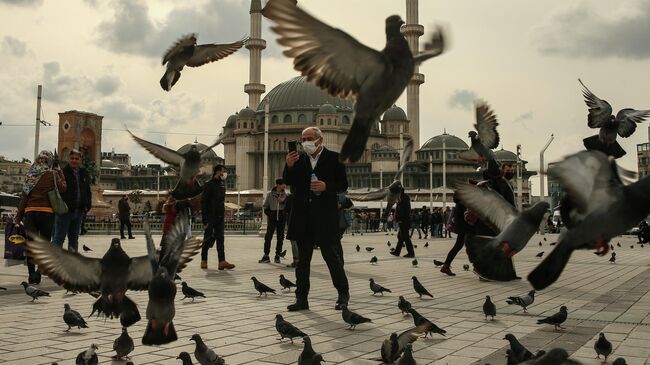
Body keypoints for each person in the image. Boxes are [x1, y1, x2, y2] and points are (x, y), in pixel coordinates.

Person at [283, 126, 349, 312]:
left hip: (324, 218)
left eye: (309, 138)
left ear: (320, 140)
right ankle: (301, 298)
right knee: (302, 262)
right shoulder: (298, 160)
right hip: (303, 217)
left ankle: (343, 295)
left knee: (332, 258)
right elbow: (288, 181)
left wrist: (326, 186)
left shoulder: (334, 158)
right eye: (303, 139)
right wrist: (288, 165)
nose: (306, 142)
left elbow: (343, 184)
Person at [16, 150, 66, 284]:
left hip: (30, 213)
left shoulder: (30, 174)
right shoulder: (53, 174)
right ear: (49, 161)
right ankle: (39, 272)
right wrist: (60, 172)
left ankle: (31, 274)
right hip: (47, 214)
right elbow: (63, 188)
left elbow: (24, 197)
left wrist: (18, 218)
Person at [53, 149, 92, 253]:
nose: (74, 160)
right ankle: (55, 263)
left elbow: (87, 191)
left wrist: (87, 205)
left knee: (74, 239)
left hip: (78, 212)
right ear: (68, 159)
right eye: (72, 158)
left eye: (77, 158)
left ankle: (73, 263)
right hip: (64, 211)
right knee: (59, 238)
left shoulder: (84, 173)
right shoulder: (63, 173)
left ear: (80, 160)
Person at [200, 164, 235, 270]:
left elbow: (221, 201)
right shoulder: (208, 185)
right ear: (217, 172)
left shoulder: (222, 185)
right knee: (207, 238)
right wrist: (205, 220)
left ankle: (222, 261)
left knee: (220, 239)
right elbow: (203, 202)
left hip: (220, 216)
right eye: (223, 171)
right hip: (210, 216)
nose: (224, 173)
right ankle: (204, 260)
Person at [260, 178, 288, 264]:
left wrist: (283, 202)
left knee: (280, 237)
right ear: (278, 185)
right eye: (283, 184)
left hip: (281, 217)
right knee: (268, 236)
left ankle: (277, 255)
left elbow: (289, 207)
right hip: (272, 217)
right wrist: (270, 214)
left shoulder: (286, 195)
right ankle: (266, 255)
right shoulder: (270, 194)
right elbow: (265, 206)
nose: (285, 185)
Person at [391, 187, 415, 258]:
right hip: (404, 221)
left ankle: (411, 253)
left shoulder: (402, 199)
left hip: (404, 221)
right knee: (401, 237)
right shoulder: (402, 198)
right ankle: (397, 252)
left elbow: (402, 211)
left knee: (406, 238)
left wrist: (399, 219)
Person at [283, 193, 299, 268]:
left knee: (294, 241)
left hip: (292, 221)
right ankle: (302, 260)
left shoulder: (290, 196)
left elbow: (286, 209)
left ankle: (296, 260)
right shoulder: (306, 194)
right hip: (304, 222)